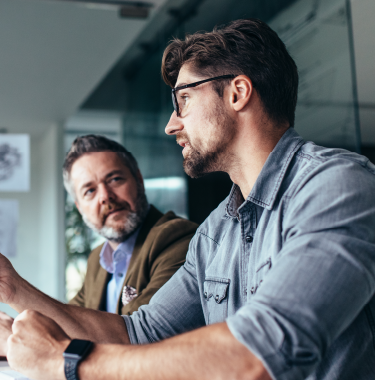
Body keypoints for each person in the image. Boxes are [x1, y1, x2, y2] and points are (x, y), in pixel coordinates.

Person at [2, 18, 375, 380]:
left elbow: (260, 353)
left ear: (237, 93)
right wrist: (11, 286)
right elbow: (138, 334)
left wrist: (68, 363)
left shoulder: (336, 185)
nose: (171, 124)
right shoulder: (215, 232)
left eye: (184, 99)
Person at [0, 135, 197, 353]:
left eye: (114, 179)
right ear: (79, 206)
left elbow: (139, 338)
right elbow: (65, 324)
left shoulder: (177, 239)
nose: (105, 196)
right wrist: (13, 329)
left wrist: (14, 290)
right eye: (89, 191)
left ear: (138, 179)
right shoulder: (98, 259)